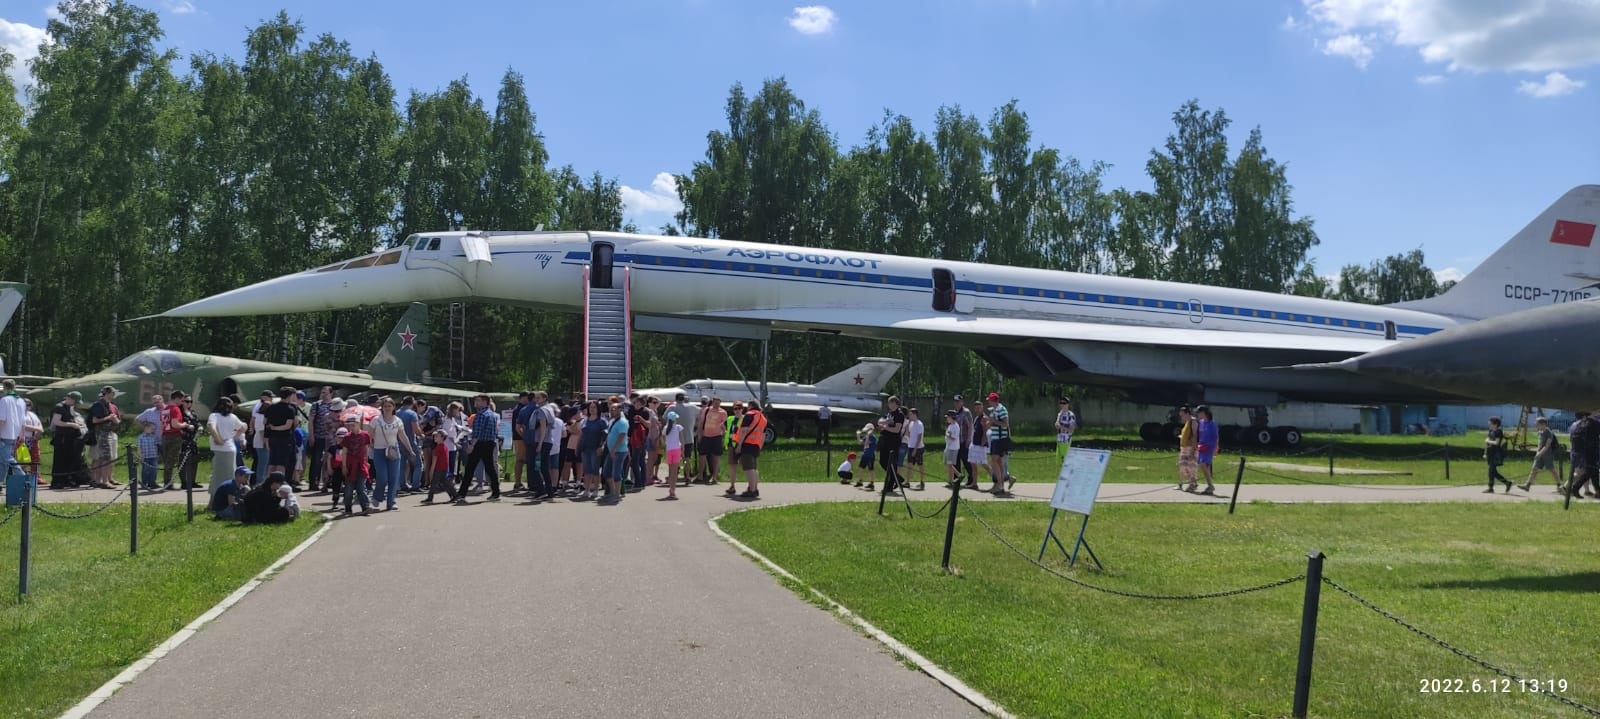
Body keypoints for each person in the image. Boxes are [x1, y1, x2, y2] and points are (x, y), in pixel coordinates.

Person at [457, 395, 501, 503]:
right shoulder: (493, 414)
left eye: (478, 400)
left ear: (485, 402)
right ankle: (496, 493)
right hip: (490, 443)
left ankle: (462, 494)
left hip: (480, 444)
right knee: (490, 468)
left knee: (470, 468)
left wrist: (472, 445)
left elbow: (478, 432)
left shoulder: (481, 415)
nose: (476, 402)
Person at [208, 396, 247, 492]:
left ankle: (216, 496)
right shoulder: (232, 417)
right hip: (230, 448)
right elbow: (243, 427)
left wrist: (218, 439)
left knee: (218, 476)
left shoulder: (214, 415)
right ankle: (229, 494)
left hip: (221, 449)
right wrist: (234, 436)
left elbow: (211, 427)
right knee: (229, 474)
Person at [49, 392, 88, 488]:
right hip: (61, 438)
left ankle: (66, 479)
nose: (75, 404)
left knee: (68, 459)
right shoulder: (59, 407)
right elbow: (56, 421)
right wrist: (72, 425)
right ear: (70, 399)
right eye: (75, 401)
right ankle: (57, 481)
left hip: (69, 438)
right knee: (60, 460)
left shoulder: (69, 408)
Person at [730, 400, 767, 499]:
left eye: (748, 406)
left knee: (748, 468)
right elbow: (763, 435)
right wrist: (760, 447)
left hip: (747, 443)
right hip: (756, 445)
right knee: (754, 468)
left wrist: (739, 445)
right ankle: (754, 488)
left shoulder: (749, 414)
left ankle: (752, 490)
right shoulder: (763, 418)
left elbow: (743, 431)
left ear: (750, 405)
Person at [87, 385, 122, 489]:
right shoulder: (99, 405)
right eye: (112, 393)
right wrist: (108, 418)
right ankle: (102, 481)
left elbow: (117, 420)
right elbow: (94, 420)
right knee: (104, 458)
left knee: (106, 458)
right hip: (101, 434)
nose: (114, 395)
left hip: (109, 433)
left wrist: (115, 420)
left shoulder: (111, 405)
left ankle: (102, 480)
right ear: (107, 393)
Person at [262, 386, 300, 478]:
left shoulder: (271, 407)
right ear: (289, 396)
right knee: (281, 463)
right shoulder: (290, 409)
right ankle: (279, 481)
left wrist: (270, 430)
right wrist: (275, 428)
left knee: (272, 462)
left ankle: (268, 481)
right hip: (284, 438)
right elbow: (288, 426)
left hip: (272, 438)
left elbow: (265, 422)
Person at [338, 421, 373, 515]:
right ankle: (348, 508)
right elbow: (344, 452)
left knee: (361, 487)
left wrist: (366, 461)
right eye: (350, 426)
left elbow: (366, 449)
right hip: (350, 465)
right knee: (349, 489)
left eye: (353, 425)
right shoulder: (347, 437)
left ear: (358, 424)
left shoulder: (365, 435)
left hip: (361, 464)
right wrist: (344, 466)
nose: (352, 427)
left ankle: (365, 506)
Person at [600, 401, 630, 504]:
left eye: (614, 409)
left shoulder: (622, 422)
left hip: (619, 451)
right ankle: (613, 492)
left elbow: (622, 436)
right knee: (606, 472)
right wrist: (604, 445)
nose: (611, 411)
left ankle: (617, 494)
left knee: (616, 473)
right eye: (611, 409)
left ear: (620, 410)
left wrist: (614, 449)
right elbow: (609, 434)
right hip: (611, 450)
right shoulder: (612, 421)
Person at [134, 395, 165, 490]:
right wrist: (145, 427)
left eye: (157, 402)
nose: (156, 404)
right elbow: (137, 419)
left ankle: (165, 482)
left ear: (162, 400)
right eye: (154, 403)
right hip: (151, 442)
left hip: (165, 440)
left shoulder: (168, 410)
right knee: (147, 466)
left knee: (162, 464)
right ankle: (146, 482)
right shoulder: (149, 411)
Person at [160, 390, 190, 489]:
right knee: (172, 461)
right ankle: (168, 483)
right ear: (176, 399)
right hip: (174, 437)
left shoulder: (164, 409)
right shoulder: (175, 409)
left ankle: (167, 482)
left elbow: (163, 424)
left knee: (167, 461)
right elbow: (175, 424)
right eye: (181, 400)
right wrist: (185, 425)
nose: (182, 402)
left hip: (165, 436)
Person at [577, 401, 607, 501]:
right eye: (590, 407)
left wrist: (601, 446)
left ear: (598, 409)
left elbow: (604, 435)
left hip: (595, 448)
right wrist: (578, 447)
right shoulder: (585, 420)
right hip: (585, 448)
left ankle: (596, 490)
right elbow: (581, 434)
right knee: (586, 470)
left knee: (595, 470)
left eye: (594, 407)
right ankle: (587, 490)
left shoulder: (602, 421)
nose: (592, 409)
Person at [876, 396, 906, 494]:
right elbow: (879, 421)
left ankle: (889, 486)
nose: (888, 404)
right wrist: (885, 423)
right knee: (882, 461)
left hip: (893, 442)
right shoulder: (889, 413)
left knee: (891, 463)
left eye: (890, 402)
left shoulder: (899, 414)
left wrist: (885, 426)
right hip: (885, 440)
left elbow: (896, 430)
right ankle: (897, 478)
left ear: (895, 403)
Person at [1521, 417, 1560, 492]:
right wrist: (1537, 452)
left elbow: (1547, 446)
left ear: (1543, 424)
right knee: (1534, 469)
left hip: (1547, 455)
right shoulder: (1540, 432)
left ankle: (1559, 486)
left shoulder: (1549, 433)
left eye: (1537, 424)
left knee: (1552, 470)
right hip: (1539, 454)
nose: (1536, 426)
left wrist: (1539, 453)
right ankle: (1527, 485)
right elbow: (1540, 444)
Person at [984, 392, 1012, 496]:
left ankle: (1000, 484)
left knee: (994, 460)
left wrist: (994, 421)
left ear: (995, 401)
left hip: (1001, 439)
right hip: (994, 438)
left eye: (990, 400)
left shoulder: (1002, 409)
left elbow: (1005, 424)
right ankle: (1001, 485)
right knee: (998, 462)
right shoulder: (993, 410)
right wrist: (989, 422)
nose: (989, 402)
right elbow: (989, 425)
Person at [421, 429, 458, 504]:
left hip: (439, 469)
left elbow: (434, 461)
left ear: (442, 437)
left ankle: (430, 498)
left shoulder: (437, 448)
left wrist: (431, 471)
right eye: (435, 436)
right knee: (445, 483)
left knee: (434, 483)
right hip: (443, 468)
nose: (435, 437)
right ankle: (454, 495)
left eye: (437, 436)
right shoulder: (444, 446)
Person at [697, 397, 727, 484]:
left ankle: (714, 477)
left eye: (718, 403)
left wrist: (723, 438)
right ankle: (700, 475)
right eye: (715, 403)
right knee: (702, 455)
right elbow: (701, 422)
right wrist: (699, 434)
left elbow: (724, 426)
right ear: (712, 403)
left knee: (716, 457)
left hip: (717, 436)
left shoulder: (723, 412)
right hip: (706, 435)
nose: (716, 404)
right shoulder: (706, 410)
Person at [0, 378, 24, 481]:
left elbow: (2, 420)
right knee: (2, 460)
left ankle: (24, 478)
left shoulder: (4, 400)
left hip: (5, 433)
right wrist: (22, 434)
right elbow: (23, 420)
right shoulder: (21, 401)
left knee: (7, 459)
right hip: (15, 434)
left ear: (5, 387)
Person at [1193, 405, 1219, 495]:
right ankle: (1209, 485)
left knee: (1203, 464)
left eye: (1199, 412)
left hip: (1209, 446)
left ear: (1204, 413)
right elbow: (1200, 434)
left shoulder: (1212, 423)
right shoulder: (1201, 422)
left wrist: (1216, 447)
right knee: (1203, 466)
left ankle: (1211, 486)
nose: (1198, 414)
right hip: (1202, 446)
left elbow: (1216, 436)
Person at [1483, 416, 1512, 493]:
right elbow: (1487, 443)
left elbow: (1497, 443)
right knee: (1493, 472)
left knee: (1491, 471)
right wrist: (1485, 453)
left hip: (1496, 454)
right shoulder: (1490, 431)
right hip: (1490, 453)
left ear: (1495, 424)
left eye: (1490, 424)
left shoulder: (1499, 432)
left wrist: (1488, 441)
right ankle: (1507, 483)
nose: (1489, 425)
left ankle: (1490, 488)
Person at [952, 394, 974, 486]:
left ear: (962, 402)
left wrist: (968, 439)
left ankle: (971, 478)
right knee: (955, 460)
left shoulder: (966, 412)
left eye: (958, 401)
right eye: (955, 401)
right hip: (955, 441)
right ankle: (957, 479)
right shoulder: (954, 413)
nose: (957, 403)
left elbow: (970, 426)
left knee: (965, 460)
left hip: (964, 440)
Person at [1176, 406, 1199, 491]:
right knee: (1182, 465)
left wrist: (1193, 449)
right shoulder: (1187, 423)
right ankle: (1181, 483)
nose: (1182, 417)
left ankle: (1193, 483)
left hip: (1191, 447)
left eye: (1182, 415)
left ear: (1187, 413)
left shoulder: (1193, 422)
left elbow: (1195, 435)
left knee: (1191, 466)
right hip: (1184, 447)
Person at [20, 398, 43, 478]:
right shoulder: (18, 414)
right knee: (23, 459)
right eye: (25, 405)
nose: (27, 406)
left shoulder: (32, 414)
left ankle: (35, 477)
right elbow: (22, 426)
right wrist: (37, 429)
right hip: (23, 439)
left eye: (29, 405)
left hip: (33, 439)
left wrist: (39, 432)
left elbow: (39, 424)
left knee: (36, 458)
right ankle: (20, 476)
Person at [905, 407, 926, 491]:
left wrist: (915, 449)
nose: (909, 416)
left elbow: (919, 438)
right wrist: (908, 423)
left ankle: (922, 481)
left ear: (915, 414)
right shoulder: (911, 423)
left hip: (918, 447)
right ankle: (907, 481)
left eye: (911, 414)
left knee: (920, 464)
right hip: (910, 446)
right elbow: (907, 434)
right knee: (910, 464)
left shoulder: (919, 424)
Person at [855, 423, 878, 490]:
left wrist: (868, 435)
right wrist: (858, 435)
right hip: (865, 455)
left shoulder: (873, 438)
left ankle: (872, 483)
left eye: (868, 430)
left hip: (870, 455)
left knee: (871, 469)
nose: (867, 431)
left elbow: (866, 443)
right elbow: (859, 442)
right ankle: (860, 481)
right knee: (860, 468)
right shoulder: (866, 436)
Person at [942, 410, 962, 486]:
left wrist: (948, 435)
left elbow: (954, 437)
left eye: (948, 417)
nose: (947, 419)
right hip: (948, 447)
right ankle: (958, 475)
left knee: (950, 465)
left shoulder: (956, 426)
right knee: (948, 464)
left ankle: (951, 481)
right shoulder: (950, 425)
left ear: (952, 417)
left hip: (953, 448)